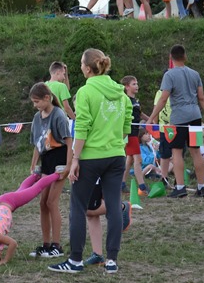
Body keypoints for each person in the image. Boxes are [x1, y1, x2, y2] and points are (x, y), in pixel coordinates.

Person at [48, 48, 131, 275]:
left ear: (86, 68)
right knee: (113, 206)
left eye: (80, 64)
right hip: (116, 156)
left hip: (91, 158)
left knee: (78, 206)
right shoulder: (122, 93)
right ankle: (111, 260)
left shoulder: (85, 92)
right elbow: (126, 128)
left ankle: (75, 260)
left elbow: (82, 127)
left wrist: (75, 159)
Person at [147, 45, 204, 199]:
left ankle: (180, 187)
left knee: (177, 152)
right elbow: (202, 98)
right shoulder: (195, 74)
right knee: (196, 151)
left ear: (171, 58)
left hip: (179, 119)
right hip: (195, 116)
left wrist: (151, 117)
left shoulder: (169, 75)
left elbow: (163, 98)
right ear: (185, 56)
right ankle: (201, 187)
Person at [0, 172, 63, 264]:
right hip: (0, 201)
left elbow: (13, 244)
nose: (1, 250)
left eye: (0, 252)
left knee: (36, 188)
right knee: (23, 189)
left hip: (10, 202)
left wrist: (5, 260)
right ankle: (36, 175)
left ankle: (58, 174)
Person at [28, 83, 72, 258]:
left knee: (52, 202)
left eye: (37, 101)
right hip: (46, 160)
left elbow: (69, 142)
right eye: (33, 102)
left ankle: (57, 246)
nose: (35, 105)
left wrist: (68, 166)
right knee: (43, 203)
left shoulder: (59, 115)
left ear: (47, 98)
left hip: (60, 159)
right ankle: (46, 244)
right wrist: (33, 165)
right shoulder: (37, 118)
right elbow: (37, 144)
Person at [83, 179, 131, 267]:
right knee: (91, 213)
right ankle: (97, 254)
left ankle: (121, 207)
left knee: (89, 209)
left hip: (95, 172)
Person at [122, 76, 148, 196]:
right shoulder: (124, 100)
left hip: (135, 132)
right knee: (138, 159)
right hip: (130, 132)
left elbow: (140, 114)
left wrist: (151, 120)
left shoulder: (135, 101)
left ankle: (122, 184)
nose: (137, 86)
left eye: (137, 83)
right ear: (127, 87)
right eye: (134, 84)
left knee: (130, 159)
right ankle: (142, 187)